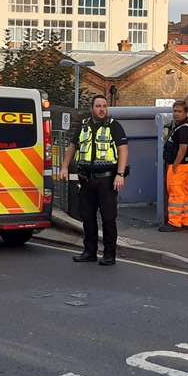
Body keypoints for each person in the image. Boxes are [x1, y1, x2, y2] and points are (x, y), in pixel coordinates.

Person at [60, 94, 128, 265]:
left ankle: (109, 255)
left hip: (107, 180)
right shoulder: (83, 127)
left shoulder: (114, 126)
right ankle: (89, 251)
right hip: (86, 180)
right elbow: (72, 147)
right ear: (92, 108)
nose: (102, 109)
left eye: (104, 106)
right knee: (87, 217)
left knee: (108, 218)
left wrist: (120, 175)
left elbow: (123, 150)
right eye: (98, 106)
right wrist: (64, 167)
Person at [160, 99, 188, 232]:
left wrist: (175, 164)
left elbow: (182, 148)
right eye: (174, 111)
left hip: (178, 167)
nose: (176, 114)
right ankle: (187, 220)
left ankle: (174, 222)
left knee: (175, 195)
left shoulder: (183, 129)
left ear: (186, 112)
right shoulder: (182, 126)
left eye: (179, 111)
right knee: (184, 194)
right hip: (184, 166)